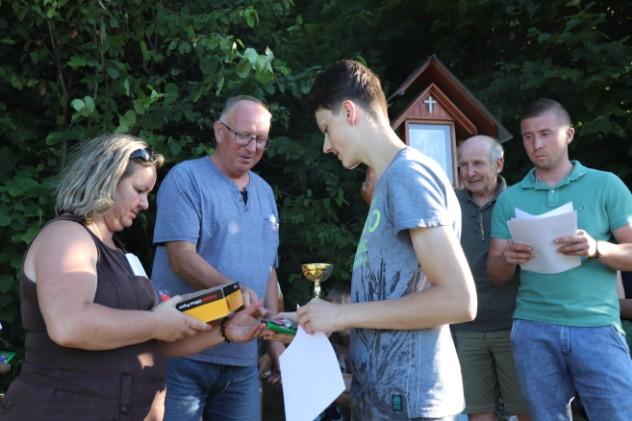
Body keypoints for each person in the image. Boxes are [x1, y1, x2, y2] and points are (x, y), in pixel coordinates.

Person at [0, 134, 265, 420]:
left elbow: (153, 338)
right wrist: (155, 321)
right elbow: (69, 325)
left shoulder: (121, 254)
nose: (145, 204)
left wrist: (225, 329)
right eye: (139, 190)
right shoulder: (67, 236)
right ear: (106, 180)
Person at [295, 59, 477, 420]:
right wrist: (319, 318)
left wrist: (342, 315)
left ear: (349, 111)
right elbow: (394, 296)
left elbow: (459, 300)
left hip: (414, 408)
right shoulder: (388, 183)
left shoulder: (408, 176)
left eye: (326, 129)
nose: (326, 146)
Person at [486, 98, 632, 419]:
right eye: (527, 137)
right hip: (533, 327)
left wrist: (596, 248)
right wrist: (508, 257)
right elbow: (496, 273)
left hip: (596, 326)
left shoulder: (605, 185)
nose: (536, 144)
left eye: (545, 133)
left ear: (569, 135)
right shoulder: (510, 199)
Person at [151, 95, 284, 421]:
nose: (252, 147)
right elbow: (180, 258)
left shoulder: (265, 192)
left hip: (242, 358)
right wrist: (235, 292)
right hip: (184, 349)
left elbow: (269, 270)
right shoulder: (185, 178)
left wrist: (274, 340)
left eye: (261, 140)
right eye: (243, 135)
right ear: (218, 131)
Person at [452, 135, 530, 421]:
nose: (469, 172)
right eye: (463, 165)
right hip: (466, 327)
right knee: (478, 412)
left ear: (499, 164)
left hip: (514, 324)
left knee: (526, 409)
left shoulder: (520, 201)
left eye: (477, 164)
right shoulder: (449, 203)